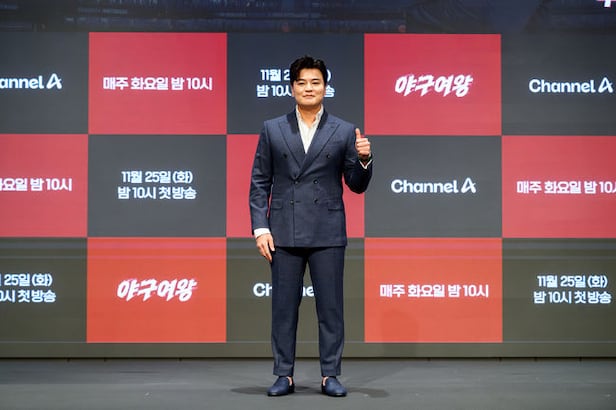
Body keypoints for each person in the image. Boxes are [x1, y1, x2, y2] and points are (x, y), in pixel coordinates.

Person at [249, 55, 372, 397]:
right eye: (302, 82)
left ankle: (330, 374)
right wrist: (261, 228)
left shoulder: (344, 130)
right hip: (283, 231)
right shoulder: (273, 128)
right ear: (292, 88)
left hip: (327, 231)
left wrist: (364, 159)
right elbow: (259, 182)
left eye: (315, 82)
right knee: (283, 309)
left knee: (330, 308)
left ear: (325, 87)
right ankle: (283, 374)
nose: (308, 88)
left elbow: (356, 184)